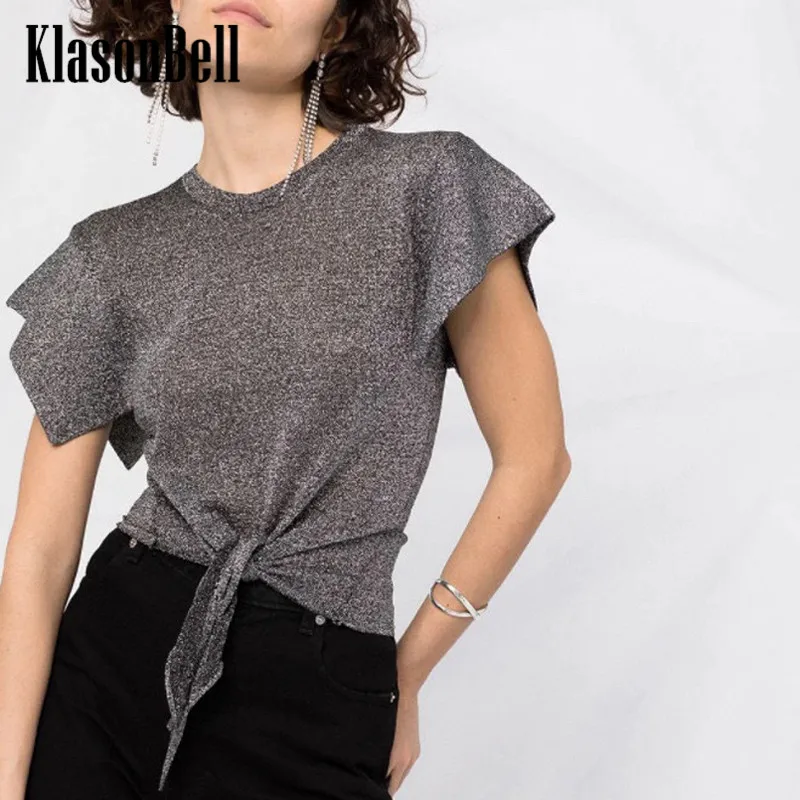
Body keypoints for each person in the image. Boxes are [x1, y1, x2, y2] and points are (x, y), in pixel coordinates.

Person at [0, 1, 571, 798]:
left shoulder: (429, 186)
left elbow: (536, 459)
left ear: (336, 27)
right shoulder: (109, 253)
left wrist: (405, 672)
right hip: (109, 666)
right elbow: (38, 552)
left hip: (320, 679)